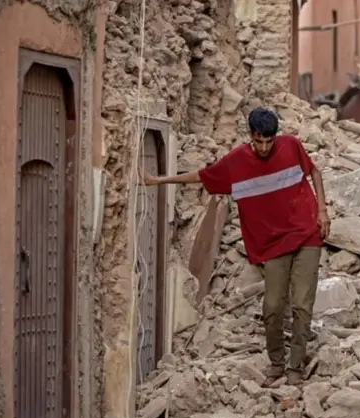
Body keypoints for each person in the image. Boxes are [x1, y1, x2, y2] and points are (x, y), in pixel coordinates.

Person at [139, 107, 330, 386]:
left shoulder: (291, 145)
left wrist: (322, 210)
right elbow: (201, 176)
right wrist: (158, 181)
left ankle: (295, 368)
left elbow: (314, 171)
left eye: (269, 141)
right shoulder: (237, 162)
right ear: (250, 135)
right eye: (258, 141)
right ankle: (276, 362)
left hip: (307, 234)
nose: (264, 147)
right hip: (273, 243)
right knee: (273, 306)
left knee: (302, 304)